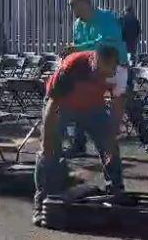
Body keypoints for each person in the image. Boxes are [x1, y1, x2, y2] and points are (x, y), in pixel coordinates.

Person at [33, 46, 125, 226]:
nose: (101, 76)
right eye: (98, 72)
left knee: (110, 146)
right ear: (93, 62)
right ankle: (42, 204)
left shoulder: (120, 73)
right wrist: (48, 137)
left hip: (93, 106)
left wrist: (111, 135)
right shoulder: (73, 66)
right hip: (62, 105)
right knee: (49, 151)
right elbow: (53, 103)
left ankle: (116, 192)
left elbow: (118, 104)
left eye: (106, 73)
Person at [66, 0, 148, 155]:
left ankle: (146, 139)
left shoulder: (106, 18)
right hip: (94, 70)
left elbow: (107, 42)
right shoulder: (77, 24)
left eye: (73, 5)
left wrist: (78, 48)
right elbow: (79, 48)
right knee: (81, 101)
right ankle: (79, 144)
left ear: (85, 3)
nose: (71, 9)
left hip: (117, 67)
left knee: (129, 105)